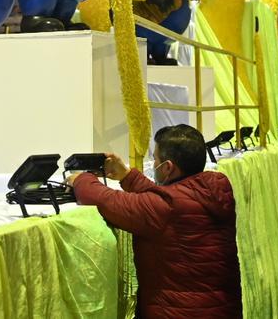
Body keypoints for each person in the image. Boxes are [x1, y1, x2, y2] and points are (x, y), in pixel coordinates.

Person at [67, 124, 240, 318]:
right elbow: (168, 197)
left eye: (155, 158)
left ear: (167, 167)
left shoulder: (166, 208)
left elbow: (106, 201)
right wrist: (127, 176)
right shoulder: (213, 190)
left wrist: (80, 180)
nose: (153, 161)